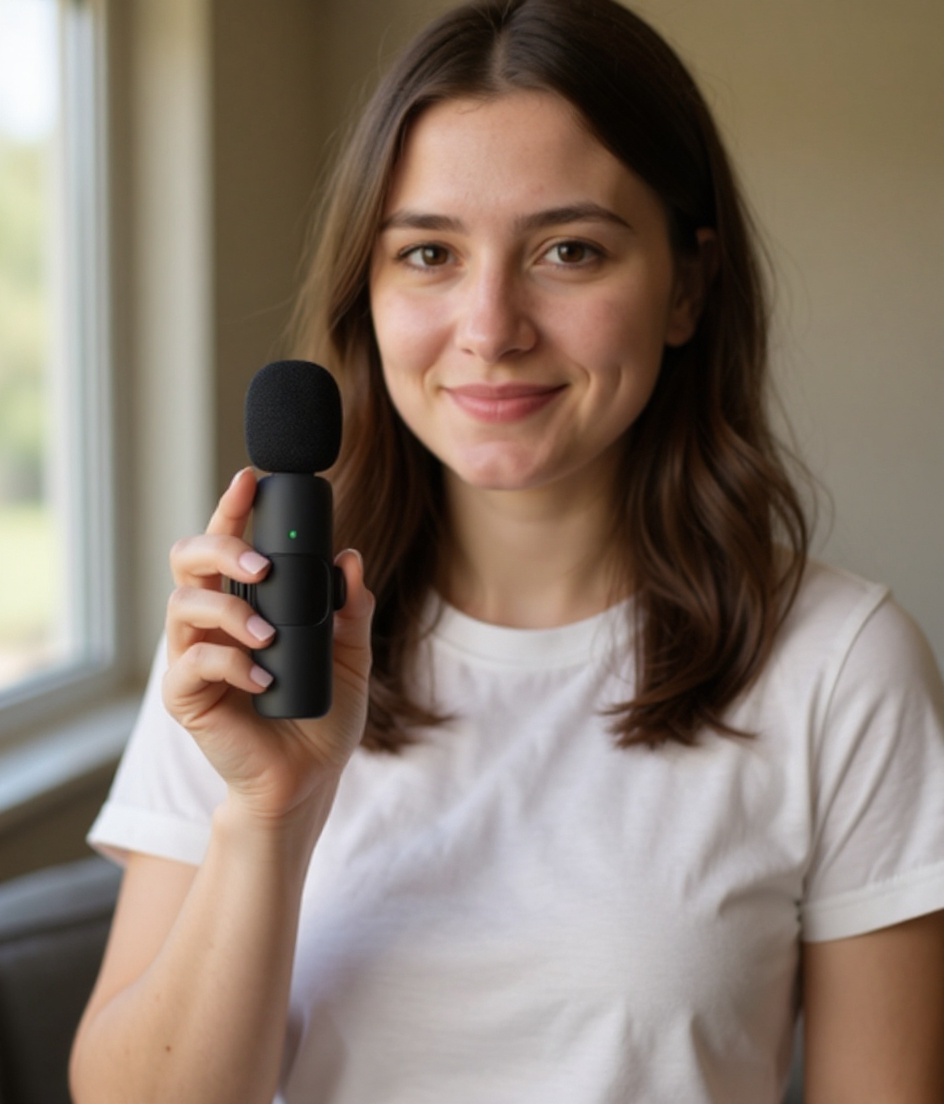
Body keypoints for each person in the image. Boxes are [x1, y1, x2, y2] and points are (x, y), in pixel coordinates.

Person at [70, 1, 944, 1101]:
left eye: (566, 251)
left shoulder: (839, 666)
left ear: (685, 285)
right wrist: (268, 815)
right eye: (428, 253)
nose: (489, 325)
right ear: (369, 292)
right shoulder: (245, 638)